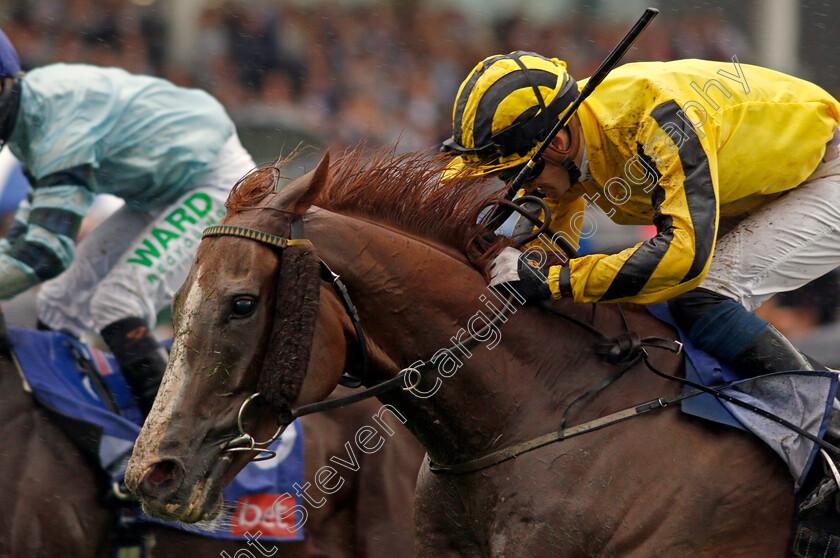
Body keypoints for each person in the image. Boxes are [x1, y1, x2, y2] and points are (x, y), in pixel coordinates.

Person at [441, 52, 840, 436]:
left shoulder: (657, 120)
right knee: (648, 295)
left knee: (699, 293)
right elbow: (553, 239)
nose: (522, 188)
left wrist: (554, 280)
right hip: (761, 183)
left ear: (559, 142)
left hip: (825, 174)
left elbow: (684, 257)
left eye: (519, 173)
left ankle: (829, 428)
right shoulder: (569, 124)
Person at [0, 30, 255, 415]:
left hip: (214, 178)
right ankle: (58, 425)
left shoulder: (56, 122)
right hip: (161, 189)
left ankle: (171, 437)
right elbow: (29, 232)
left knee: (116, 302)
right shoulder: (30, 108)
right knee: (57, 303)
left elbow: (43, 254)